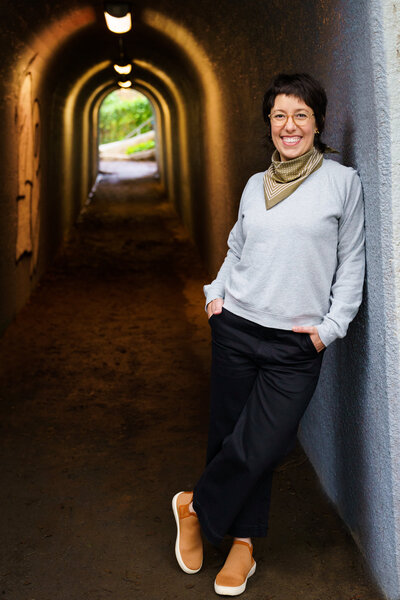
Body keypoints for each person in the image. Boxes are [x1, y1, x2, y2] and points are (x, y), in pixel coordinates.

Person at [172, 72, 365, 596]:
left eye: (301, 114)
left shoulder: (342, 183)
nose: (290, 125)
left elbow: (351, 266)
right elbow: (238, 248)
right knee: (228, 436)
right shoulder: (255, 186)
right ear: (269, 124)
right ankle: (243, 546)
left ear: (318, 121)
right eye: (280, 115)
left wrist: (330, 329)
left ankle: (194, 505)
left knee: (263, 445)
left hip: (296, 343)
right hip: (236, 327)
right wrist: (216, 294)